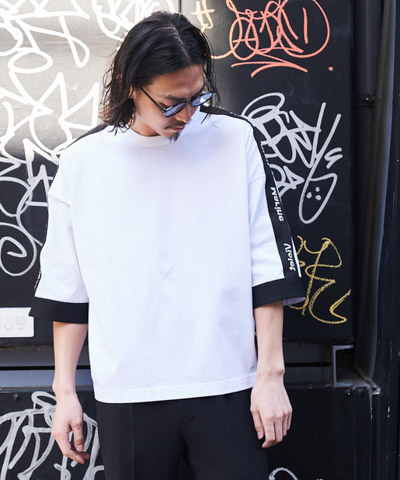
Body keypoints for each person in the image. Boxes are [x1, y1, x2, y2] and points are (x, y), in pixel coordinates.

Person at [30, 11, 305, 480]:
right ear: (130, 85)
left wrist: (270, 376)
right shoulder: (82, 162)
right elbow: (68, 290)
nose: (186, 115)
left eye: (197, 97)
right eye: (171, 103)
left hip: (227, 383)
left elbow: (268, 262)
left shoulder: (234, 139)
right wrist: (65, 393)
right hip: (129, 391)